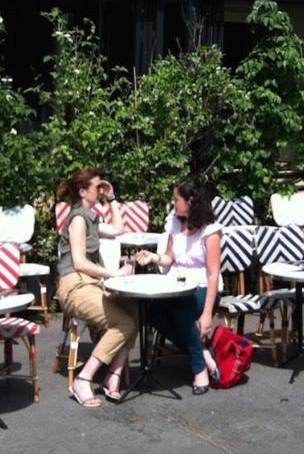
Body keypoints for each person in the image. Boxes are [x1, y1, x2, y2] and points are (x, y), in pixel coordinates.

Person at [56, 167, 138, 408]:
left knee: (134, 309)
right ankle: (83, 379)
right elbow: (79, 262)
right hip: (74, 286)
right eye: (96, 188)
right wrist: (114, 273)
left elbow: (119, 229)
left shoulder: (91, 218)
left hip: (90, 284)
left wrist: (111, 198)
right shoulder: (79, 219)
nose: (100, 191)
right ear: (83, 191)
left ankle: (113, 376)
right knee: (124, 323)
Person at [134, 177, 222, 395]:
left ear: (191, 201)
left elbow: (213, 274)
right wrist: (153, 257)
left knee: (181, 312)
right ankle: (202, 354)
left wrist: (207, 314)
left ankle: (199, 370)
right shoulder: (175, 223)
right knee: (150, 311)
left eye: (176, 199)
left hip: (202, 288)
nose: (173, 203)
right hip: (175, 287)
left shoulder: (210, 231)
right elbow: (169, 258)